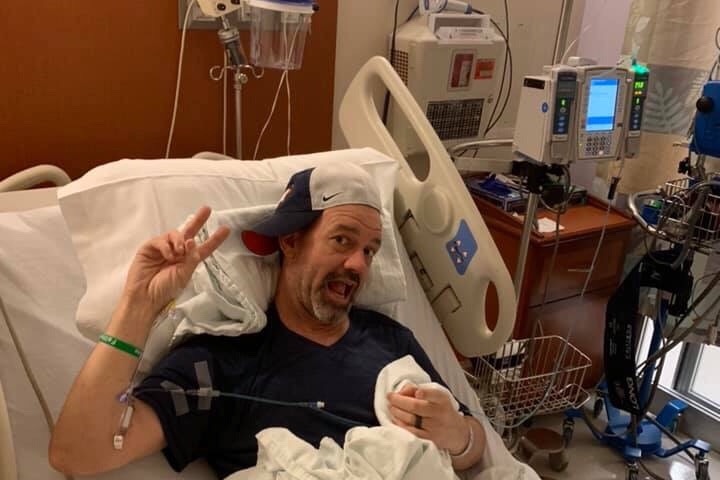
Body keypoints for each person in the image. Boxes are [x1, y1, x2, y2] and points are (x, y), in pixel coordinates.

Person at [49, 162, 486, 478]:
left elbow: (473, 448)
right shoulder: (220, 362)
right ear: (290, 242)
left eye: (369, 250)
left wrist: (459, 437)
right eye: (342, 240)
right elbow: (79, 452)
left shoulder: (391, 340)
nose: (358, 264)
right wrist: (138, 306)